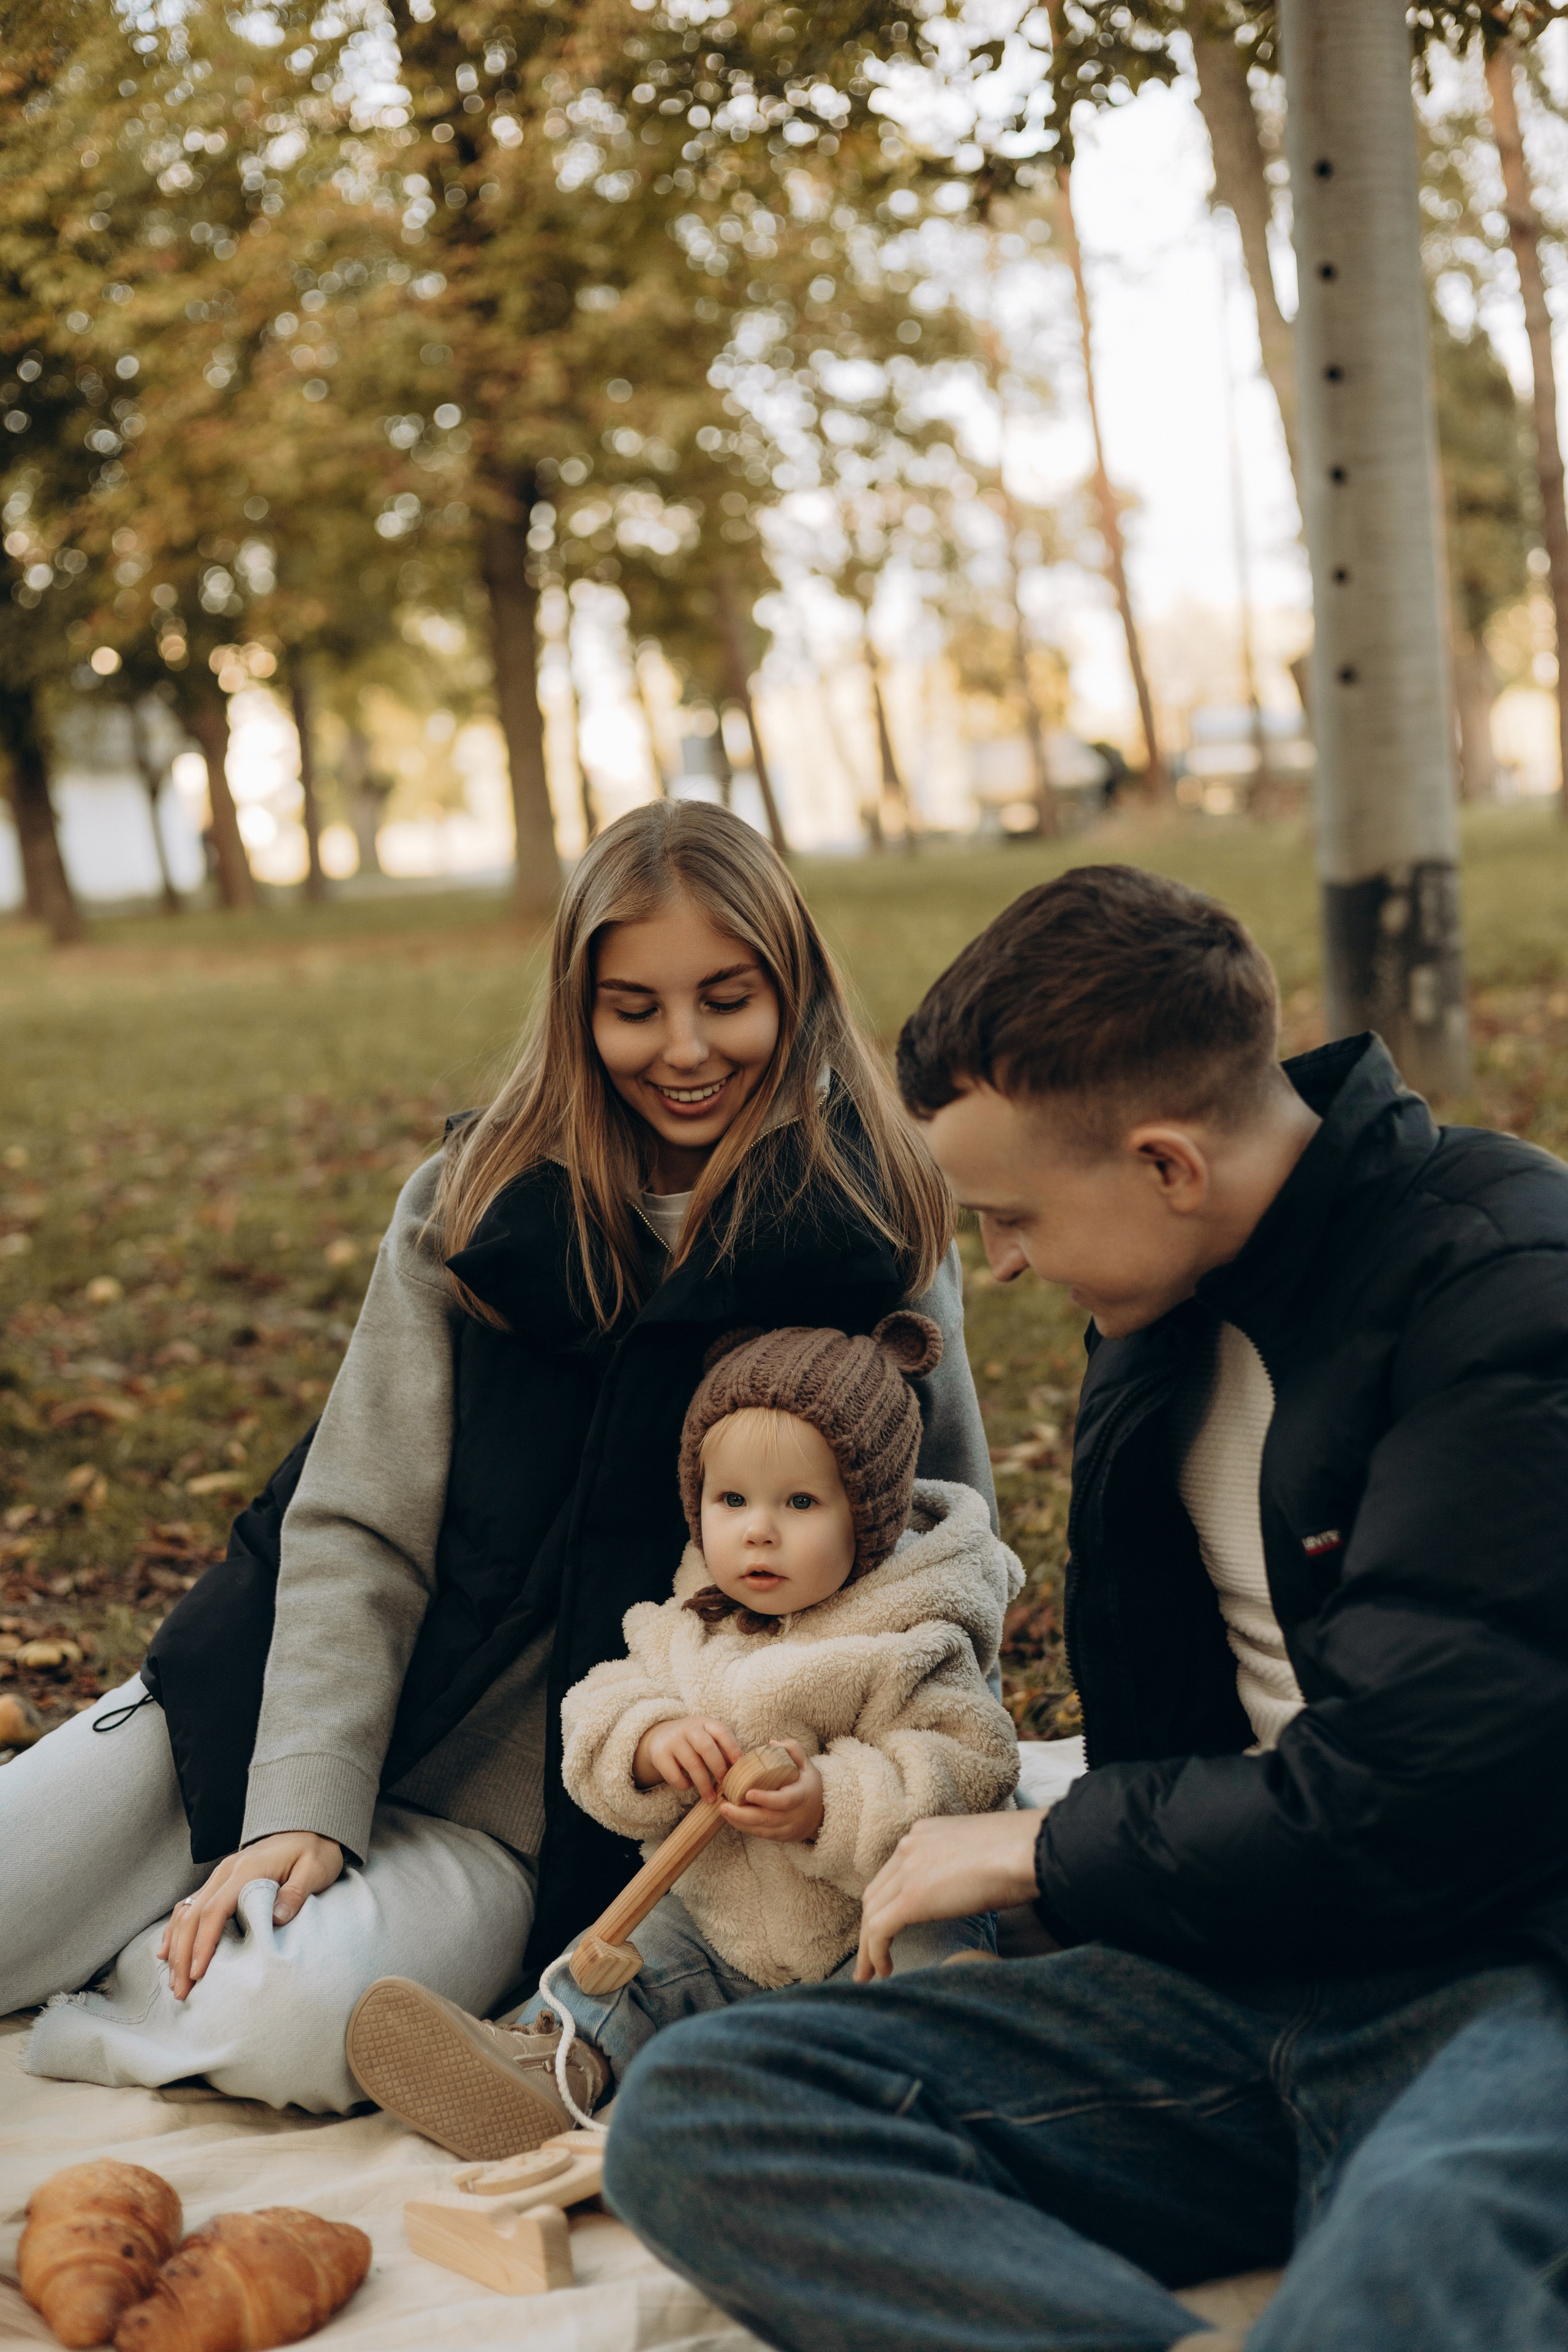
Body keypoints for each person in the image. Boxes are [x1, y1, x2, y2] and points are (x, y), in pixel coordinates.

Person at [603, 863, 1568, 2352]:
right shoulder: (1156, 1318)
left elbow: (1413, 1795)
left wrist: (1044, 1842)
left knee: (1400, 2279)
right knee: (705, 2105)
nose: (996, 1261)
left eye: (1009, 1216)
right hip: (1234, 1985)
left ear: (1167, 1164)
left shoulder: (1503, 1292)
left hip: (1502, 1983)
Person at [1, 802, 995, 2115]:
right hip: (283, 1697)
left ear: (793, 989)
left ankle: (145, 1975)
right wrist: (296, 1805)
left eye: (727, 998)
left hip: (549, 1798)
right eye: (633, 1007)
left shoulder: (877, 1223)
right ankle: (207, 1881)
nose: (684, 1049)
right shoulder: (474, 1202)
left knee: (284, 2026)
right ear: (579, 1009)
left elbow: (944, 1549)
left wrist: (866, 1795)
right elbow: (358, 1521)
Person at [343, 1313, 1021, 2156]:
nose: (757, 1530)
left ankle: (937, 2054)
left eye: (799, 1503)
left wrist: (831, 1800)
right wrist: (651, 1740)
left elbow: (971, 1760)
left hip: (870, 1916)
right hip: (721, 1921)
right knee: (628, 1961)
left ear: (871, 1515)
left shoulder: (910, 1631)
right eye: (731, 1500)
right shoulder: (691, 1620)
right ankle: (551, 2062)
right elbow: (599, 1705)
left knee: (928, 1950)